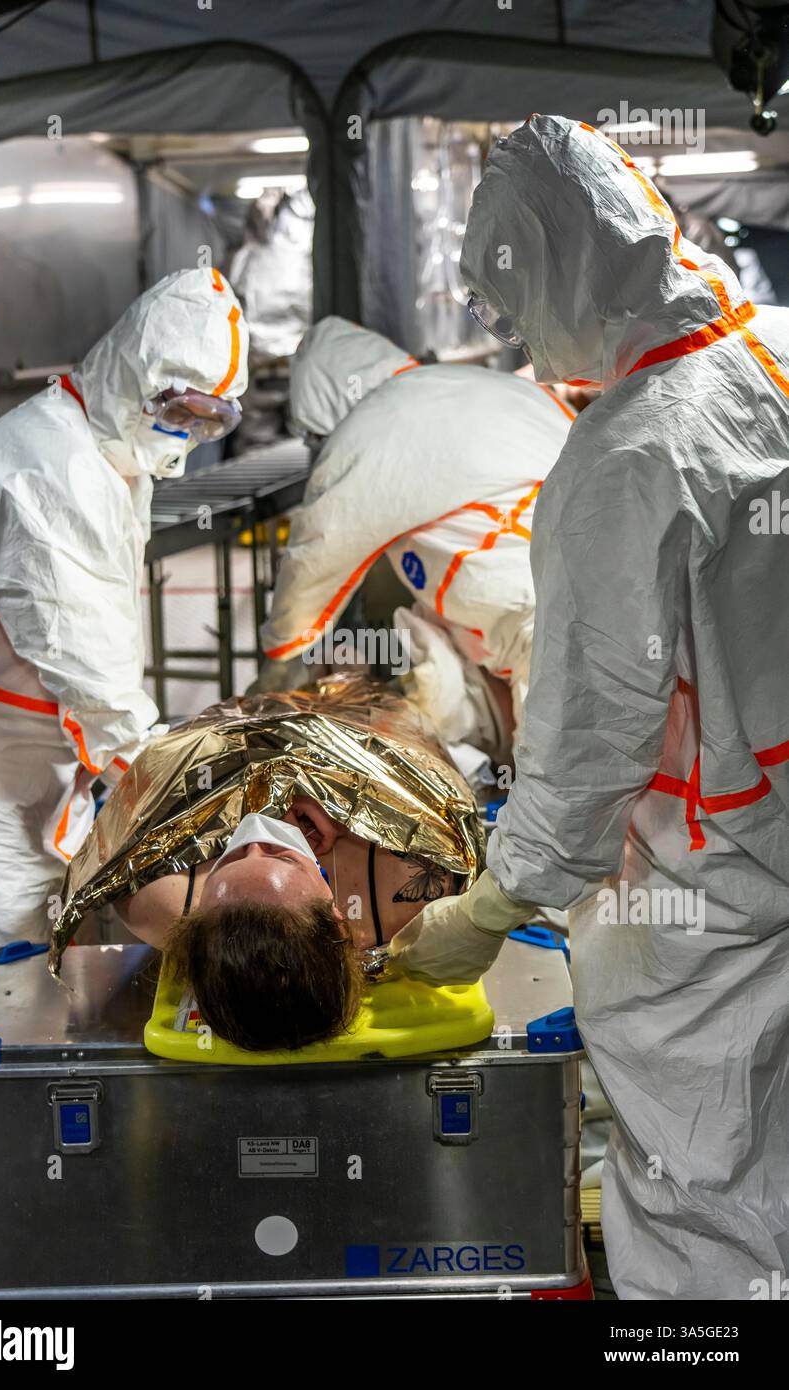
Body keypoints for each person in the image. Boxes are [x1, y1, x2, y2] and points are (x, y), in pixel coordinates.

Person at [390, 113, 789, 1301]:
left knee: (695, 1180)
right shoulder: (767, 352)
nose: (518, 341)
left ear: (556, 270)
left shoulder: (625, 457)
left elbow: (586, 733)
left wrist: (496, 900)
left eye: (514, 306)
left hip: (701, 879)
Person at [0, 267, 248, 1276]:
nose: (187, 431)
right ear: (131, 373)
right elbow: (89, 663)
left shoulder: (105, 445)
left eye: (208, 416)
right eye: (177, 407)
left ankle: (10, 1189)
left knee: (31, 937)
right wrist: (166, 770)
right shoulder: (53, 468)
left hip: (15, 728)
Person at [50, 677, 480, 1053]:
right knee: (356, 680)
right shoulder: (407, 885)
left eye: (226, 858)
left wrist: (251, 786)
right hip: (367, 718)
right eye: (280, 855)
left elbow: (154, 774)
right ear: (335, 919)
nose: (257, 834)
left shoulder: (160, 900)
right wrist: (346, 790)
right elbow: (432, 778)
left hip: (242, 716)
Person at [258, 315, 574, 759]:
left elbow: (315, 556)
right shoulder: (481, 385)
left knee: (551, 798)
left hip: (536, 622)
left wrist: (280, 656)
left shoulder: (369, 427)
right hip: (582, 594)